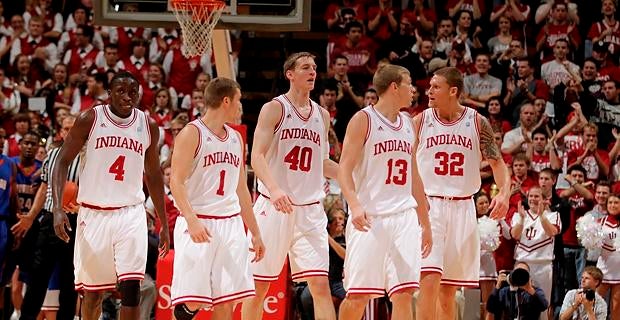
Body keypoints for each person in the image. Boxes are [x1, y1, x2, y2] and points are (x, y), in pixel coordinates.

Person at [50, 71, 170, 320]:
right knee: (93, 294)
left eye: (133, 92)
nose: (128, 97)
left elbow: (155, 175)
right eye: (121, 91)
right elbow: (61, 161)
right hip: (94, 214)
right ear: (109, 94)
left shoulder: (148, 125)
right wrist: (58, 208)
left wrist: (164, 222)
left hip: (130, 213)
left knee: (131, 288)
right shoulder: (90, 119)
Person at [242, 52, 338, 320]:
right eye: (306, 67)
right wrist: (274, 189)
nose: (312, 72)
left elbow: (323, 163)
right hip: (274, 208)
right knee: (259, 287)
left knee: (320, 286)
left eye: (315, 68)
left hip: (309, 210)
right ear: (290, 74)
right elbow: (257, 157)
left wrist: (353, 180)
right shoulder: (274, 108)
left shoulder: (322, 114)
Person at [336, 64, 432, 320]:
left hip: (404, 216)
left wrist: (426, 222)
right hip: (370, 218)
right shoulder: (363, 120)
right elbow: (343, 169)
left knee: (403, 293)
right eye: (409, 83)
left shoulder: (408, 124)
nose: (413, 89)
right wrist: (355, 205)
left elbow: (414, 176)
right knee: (358, 296)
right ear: (394, 87)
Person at [415, 66, 510, 320]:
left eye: (436, 86)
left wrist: (504, 193)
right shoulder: (420, 121)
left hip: (463, 206)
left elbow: (498, 164)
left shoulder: (477, 122)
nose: (429, 91)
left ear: (453, 90)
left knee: (448, 292)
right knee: (429, 281)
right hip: (430, 205)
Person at [168, 77, 265, 319]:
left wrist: (255, 232)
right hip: (199, 220)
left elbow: (242, 190)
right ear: (226, 101)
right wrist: (191, 220)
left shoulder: (236, 138)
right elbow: (176, 181)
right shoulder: (191, 133)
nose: (240, 106)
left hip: (230, 224)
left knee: (226, 301)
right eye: (238, 101)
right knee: (190, 301)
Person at [14, 115, 81, 320]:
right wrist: (31, 216)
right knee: (37, 279)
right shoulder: (51, 155)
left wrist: (82, 206)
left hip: (74, 223)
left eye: (74, 128)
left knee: (69, 282)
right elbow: (44, 188)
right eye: (66, 128)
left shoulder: (88, 158)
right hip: (50, 221)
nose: (70, 132)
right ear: (61, 132)